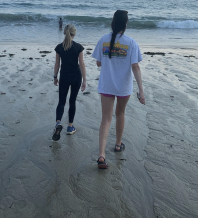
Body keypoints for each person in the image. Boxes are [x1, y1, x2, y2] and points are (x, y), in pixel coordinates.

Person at [92, 10, 145, 169]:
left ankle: (101, 155)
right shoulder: (131, 42)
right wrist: (141, 91)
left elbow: (98, 63)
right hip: (123, 86)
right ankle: (117, 144)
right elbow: (135, 66)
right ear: (126, 24)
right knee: (120, 113)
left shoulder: (103, 40)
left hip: (107, 84)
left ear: (113, 23)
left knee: (106, 119)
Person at [52, 24, 87, 141]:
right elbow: (82, 64)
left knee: (61, 101)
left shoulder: (59, 47)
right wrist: (85, 80)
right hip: (76, 76)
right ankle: (70, 127)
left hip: (64, 76)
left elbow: (57, 64)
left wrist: (55, 77)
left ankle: (58, 123)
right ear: (74, 34)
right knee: (72, 101)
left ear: (64, 33)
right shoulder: (78, 47)